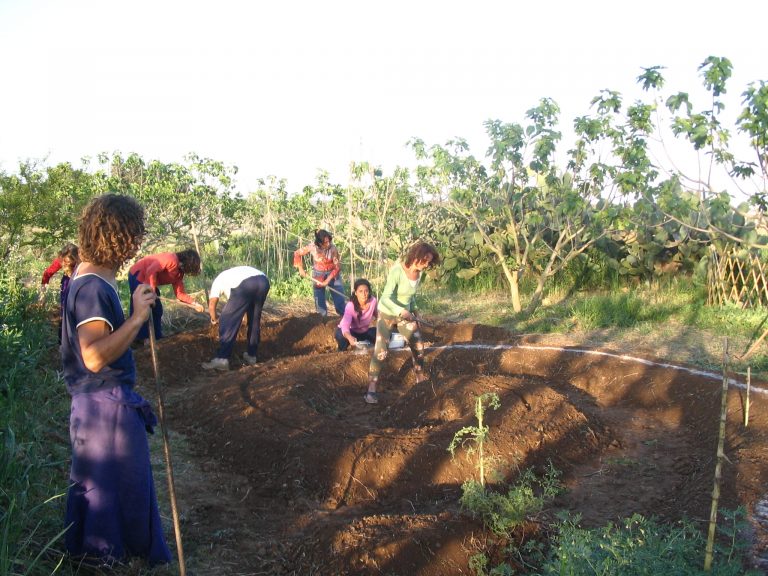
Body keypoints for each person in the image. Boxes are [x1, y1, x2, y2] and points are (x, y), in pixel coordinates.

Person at [60, 194, 171, 567]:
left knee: (104, 489)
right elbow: (93, 356)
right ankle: (104, 560)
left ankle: (104, 558)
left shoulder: (92, 276)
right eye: (133, 236)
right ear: (118, 236)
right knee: (116, 489)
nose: (135, 246)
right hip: (104, 404)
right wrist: (139, 318)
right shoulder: (92, 286)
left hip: (97, 404)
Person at [365, 241, 440, 404]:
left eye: (429, 262)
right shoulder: (397, 271)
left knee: (418, 344)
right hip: (387, 312)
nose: (427, 264)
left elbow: (410, 297)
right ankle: (371, 389)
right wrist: (401, 311)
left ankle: (420, 382)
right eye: (425, 260)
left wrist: (415, 312)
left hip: (404, 315)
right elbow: (384, 298)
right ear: (417, 256)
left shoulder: (418, 274)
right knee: (381, 351)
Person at [128, 249, 205, 345]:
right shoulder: (171, 259)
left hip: (150, 280)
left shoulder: (179, 274)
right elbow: (151, 271)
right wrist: (151, 291)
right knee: (144, 307)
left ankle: (157, 336)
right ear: (188, 262)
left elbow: (180, 294)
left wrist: (194, 304)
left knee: (157, 309)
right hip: (138, 274)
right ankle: (142, 339)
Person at [202, 266, 271, 371]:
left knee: (226, 318)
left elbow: (211, 304)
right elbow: (242, 306)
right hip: (263, 281)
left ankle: (222, 359)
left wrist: (214, 319)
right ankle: (252, 356)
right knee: (254, 319)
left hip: (247, 284)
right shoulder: (232, 278)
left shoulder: (218, 281)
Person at [293, 229, 345, 317]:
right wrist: (300, 268)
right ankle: (322, 322)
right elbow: (297, 253)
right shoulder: (312, 247)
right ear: (320, 243)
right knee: (320, 302)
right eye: (325, 242)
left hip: (333, 274)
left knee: (340, 300)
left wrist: (327, 280)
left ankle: (344, 318)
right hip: (318, 274)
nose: (328, 244)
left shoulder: (333, 249)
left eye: (329, 241)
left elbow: (337, 267)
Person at [40, 242, 80, 340]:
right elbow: (47, 274)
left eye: (70, 263)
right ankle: (63, 340)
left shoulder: (82, 261)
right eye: (64, 262)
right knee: (64, 312)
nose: (66, 265)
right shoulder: (61, 259)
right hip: (66, 284)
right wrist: (42, 296)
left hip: (79, 282)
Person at [335, 278, 378, 351]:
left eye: (366, 291)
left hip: (365, 332)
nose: (364, 294)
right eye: (360, 291)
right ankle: (341, 351)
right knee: (340, 335)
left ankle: (369, 347)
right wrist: (349, 337)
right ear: (356, 293)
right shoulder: (350, 306)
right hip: (351, 331)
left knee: (382, 334)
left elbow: (378, 316)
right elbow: (345, 326)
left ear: (369, 292)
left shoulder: (373, 301)